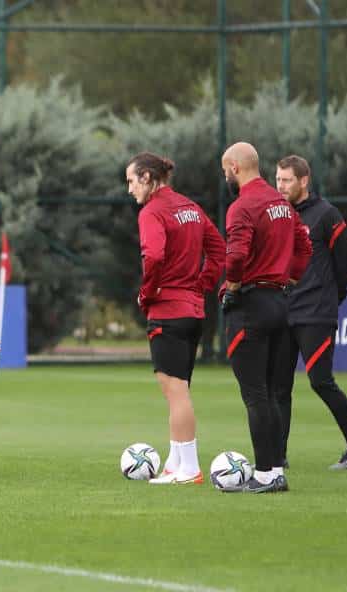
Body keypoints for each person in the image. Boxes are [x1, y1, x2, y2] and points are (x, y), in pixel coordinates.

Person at [126, 152, 226, 485]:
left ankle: (190, 467)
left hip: (168, 311)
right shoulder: (190, 208)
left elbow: (153, 256)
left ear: (145, 177)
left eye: (130, 181)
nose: (129, 190)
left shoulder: (152, 211)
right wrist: (203, 284)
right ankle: (174, 462)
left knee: (176, 391)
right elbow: (218, 249)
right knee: (178, 389)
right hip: (193, 310)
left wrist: (147, 292)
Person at [220, 141, 311, 494]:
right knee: (272, 394)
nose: (225, 176)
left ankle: (264, 474)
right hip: (279, 302)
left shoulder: (242, 206)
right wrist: (290, 278)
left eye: (225, 169)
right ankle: (274, 471)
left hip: (252, 304)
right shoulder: (281, 204)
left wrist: (233, 287)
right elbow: (304, 246)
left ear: (235, 167)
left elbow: (237, 256)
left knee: (255, 395)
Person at [272, 155, 347, 470]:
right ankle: (278, 456)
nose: (280, 185)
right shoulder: (277, 214)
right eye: (278, 179)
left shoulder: (327, 215)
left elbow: (345, 265)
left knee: (320, 381)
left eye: (286, 180)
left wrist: (331, 297)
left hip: (316, 312)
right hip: (283, 311)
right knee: (279, 386)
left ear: (304, 181)